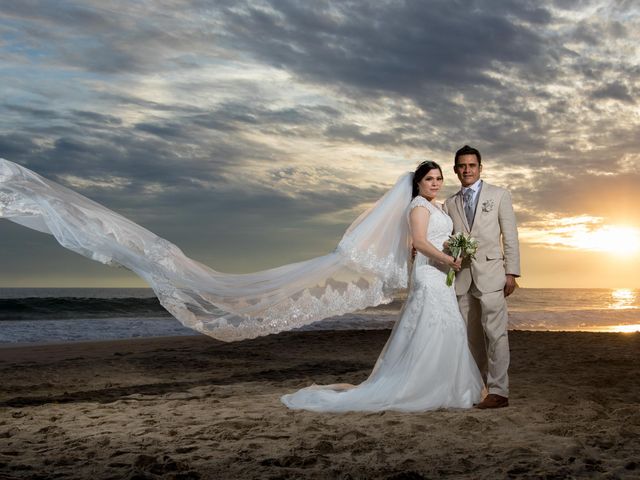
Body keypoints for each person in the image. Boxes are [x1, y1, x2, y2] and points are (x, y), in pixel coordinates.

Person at [281, 161, 483, 412]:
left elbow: (435, 239)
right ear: (418, 183)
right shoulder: (418, 206)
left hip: (442, 275)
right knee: (432, 325)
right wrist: (448, 259)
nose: (435, 183)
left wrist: (453, 249)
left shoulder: (437, 207)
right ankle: (420, 387)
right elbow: (419, 242)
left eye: (439, 178)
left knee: (448, 327)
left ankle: (448, 385)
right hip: (429, 273)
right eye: (429, 179)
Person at [443, 145, 520, 409]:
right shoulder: (449, 203)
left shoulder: (499, 196)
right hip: (463, 278)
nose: (467, 170)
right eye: (462, 166)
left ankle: (499, 391)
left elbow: (510, 236)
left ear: (480, 168)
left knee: (496, 334)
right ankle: (476, 388)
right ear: (455, 170)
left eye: (471, 165)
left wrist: (511, 272)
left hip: (492, 275)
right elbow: (448, 238)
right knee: (470, 337)